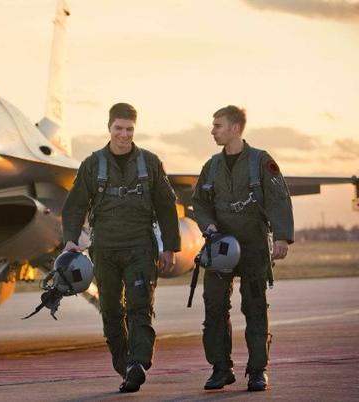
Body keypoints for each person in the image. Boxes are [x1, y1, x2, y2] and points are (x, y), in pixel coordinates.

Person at [61, 103, 181, 393]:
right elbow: (75, 206)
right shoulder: (92, 164)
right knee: (111, 311)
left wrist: (170, 247)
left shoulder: (150, 163)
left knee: (140, 306)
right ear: (109, 128)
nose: (124, 135)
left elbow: (166, 206)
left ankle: (138, 362)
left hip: (140, 247)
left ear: (134, 129)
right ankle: (125, 365)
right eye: (119, 128)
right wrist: (70, 240)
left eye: (129, 129)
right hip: (105, 250)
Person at [191, 105, 294, 392]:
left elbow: (278, 198)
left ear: (235, 128)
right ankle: (220, 369)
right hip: (220, 247)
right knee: (214, 306)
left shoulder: (261, 161)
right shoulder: (211, 166)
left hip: (252, 245)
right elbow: (199, 203)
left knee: (255, 307)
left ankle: (257, 370)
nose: (213, 131)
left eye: (218, 125)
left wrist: (282, 237)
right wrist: (208, 226)